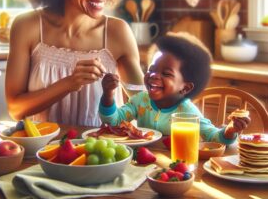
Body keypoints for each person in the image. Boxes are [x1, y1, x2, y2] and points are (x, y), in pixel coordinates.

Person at [5, 0, 144, 126]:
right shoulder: (28, 27)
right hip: (43, 152)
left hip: (106, 153)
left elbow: (143, 107)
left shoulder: (118, 32)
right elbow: (15, 109)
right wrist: (69, 83)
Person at [99, 32, 251, 144]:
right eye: (151, 69)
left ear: (185, 88)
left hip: (174, 165)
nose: (154, 75)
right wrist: (108, 94)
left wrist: (231, 130)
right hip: (142, 163)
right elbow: (113, 121)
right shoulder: (140, 100)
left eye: (166, 73)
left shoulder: (186, 111)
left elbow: (214, 137)